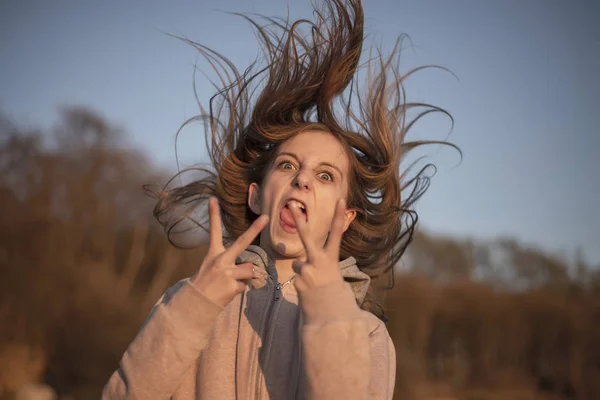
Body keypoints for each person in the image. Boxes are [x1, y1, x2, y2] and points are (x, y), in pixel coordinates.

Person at [103, 0, 454, 398]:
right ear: (256, 196)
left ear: (344, 218)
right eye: (288, 166)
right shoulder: (189, 300)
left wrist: (328, 310)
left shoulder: (367, 333)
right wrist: (196, 305)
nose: (303, 179)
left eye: (325, 176)